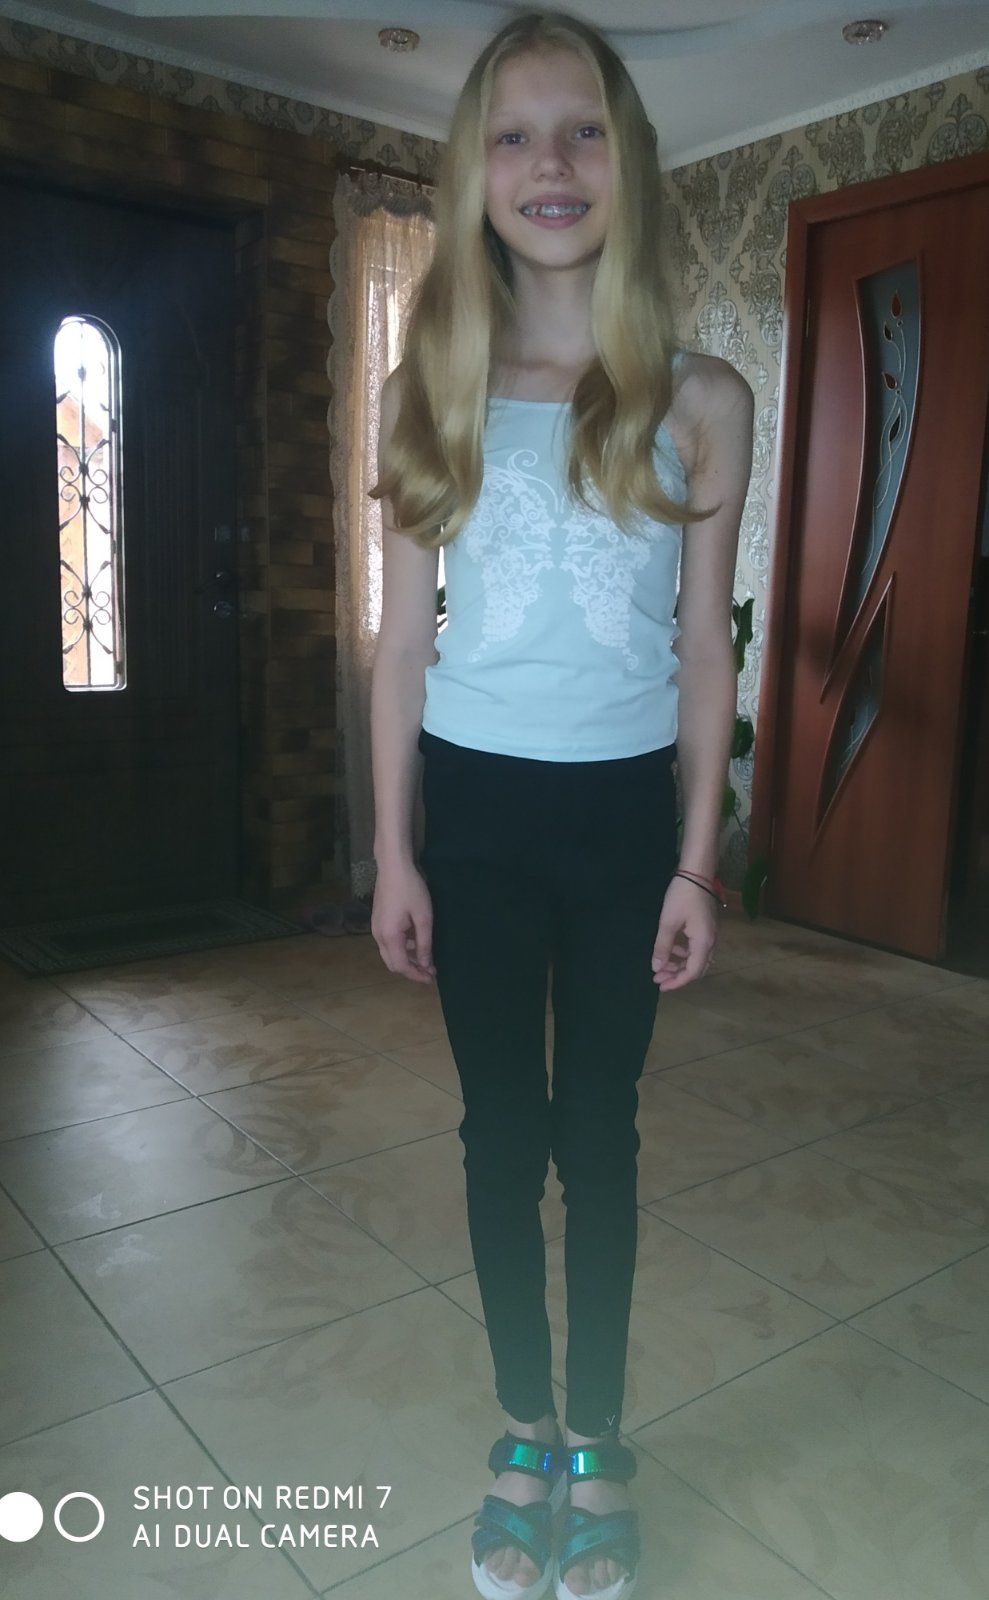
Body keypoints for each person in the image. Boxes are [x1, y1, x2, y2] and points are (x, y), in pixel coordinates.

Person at [369, 10, 753, 1597]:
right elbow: (404, 646)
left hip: (617, 827)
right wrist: (390, 854)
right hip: (470, 815)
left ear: (628, 163)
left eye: (583, 128)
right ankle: (520, 1424)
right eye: (515, 134)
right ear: (474, 171)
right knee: (496, 1135)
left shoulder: (702, 397)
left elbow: (704, 654)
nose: (551, 163)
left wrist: (694, 866)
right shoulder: (430, 387)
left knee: (600, 1135)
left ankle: (595, 1436)